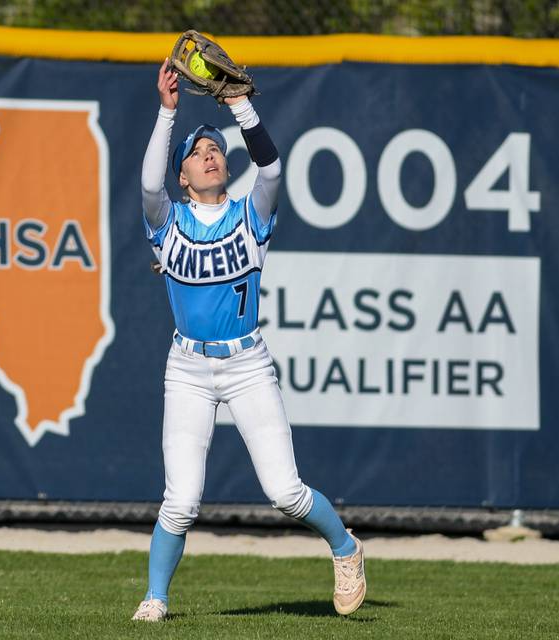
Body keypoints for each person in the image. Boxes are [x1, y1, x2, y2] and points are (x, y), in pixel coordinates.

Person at [132, 58, 366, 622]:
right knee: (181, 499)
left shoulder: (250, 215)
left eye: (216, 149)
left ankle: (345, 548)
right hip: (188, 366)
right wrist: (168, 115)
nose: (210, 154)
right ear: (183, 176)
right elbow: (146, 183)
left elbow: (273, 171)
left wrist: (239, 107)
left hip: (247, 364)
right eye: (197, 153)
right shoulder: (165, 220)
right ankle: (156, 598)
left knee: (286, 492)